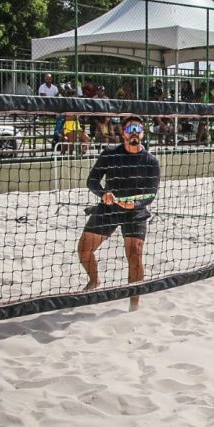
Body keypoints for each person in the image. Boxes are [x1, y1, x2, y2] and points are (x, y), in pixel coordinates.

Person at [77, 116, 161, 312]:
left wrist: (136, 203)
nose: (134, 132)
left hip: (135, 213)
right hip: (109, 207)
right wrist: (103, 193)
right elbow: (92, 181)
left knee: (134, 255)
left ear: (142, 133)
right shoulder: (110, 153)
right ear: (123, 132)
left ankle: (134, 305)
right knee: (83, 250)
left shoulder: (151, 161)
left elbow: (151, 194)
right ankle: (94, 280)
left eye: (138, 128)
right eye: (130, 128)